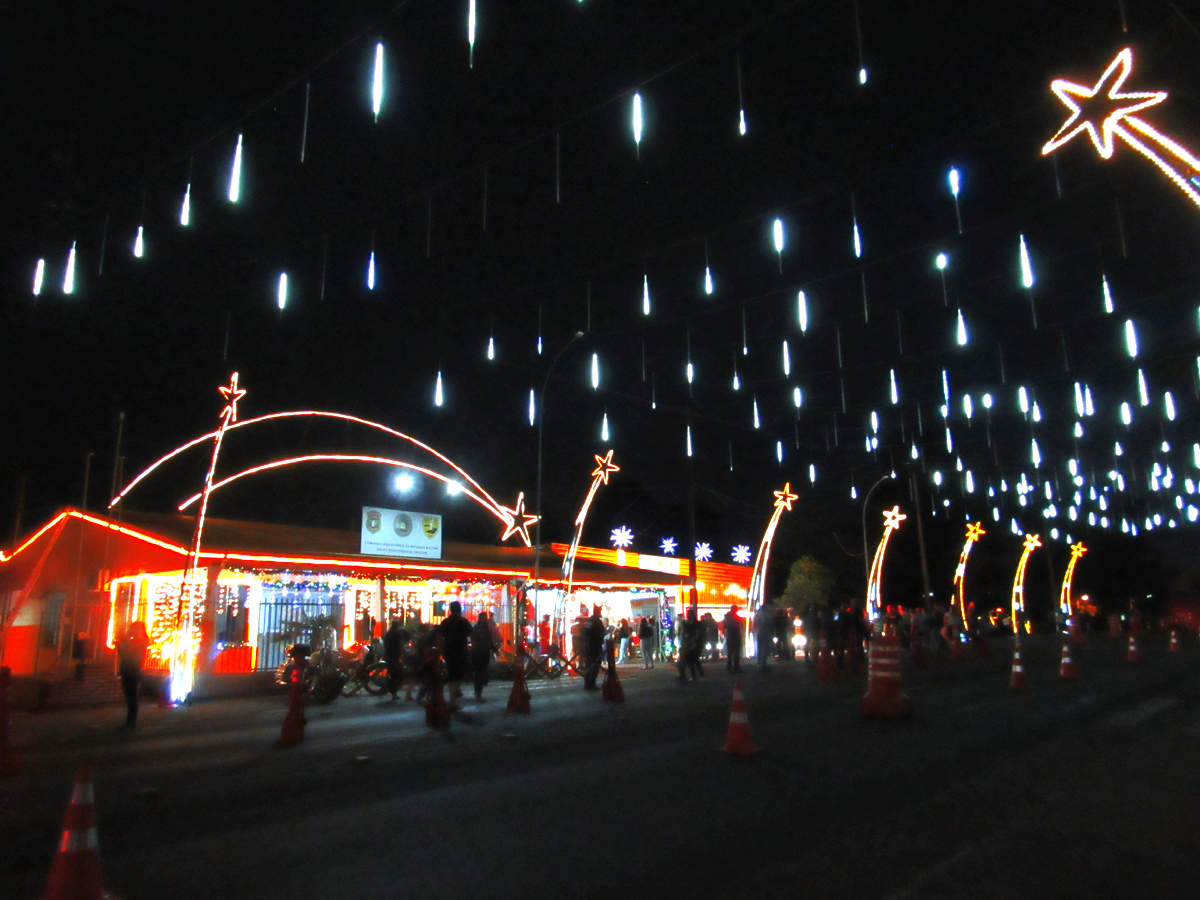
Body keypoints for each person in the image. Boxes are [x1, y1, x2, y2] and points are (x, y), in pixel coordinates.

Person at [438, 601, 473, 709]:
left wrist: (441, 650)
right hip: (460, 650)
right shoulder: (463, 622)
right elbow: (470, 633)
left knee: (452, 672)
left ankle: (453, 694)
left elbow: (439, 636)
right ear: (460, 610)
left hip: (448, 651)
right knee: (457, 674)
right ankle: (453, 699)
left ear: (450, 610)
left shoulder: (446, 622)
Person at [116, 621, 150, 728]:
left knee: (131, 697)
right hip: (130, 671)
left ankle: (131, 722)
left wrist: (120, 644)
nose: (131, 631)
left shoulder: (138, 642)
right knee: (130, 697)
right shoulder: (137, 641)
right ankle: (130, 721)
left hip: (132, 671)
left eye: (133, 629)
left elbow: (126, 654)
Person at [470, 612, 497, 702]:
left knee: (478, 673)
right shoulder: (483, 628)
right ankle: (478, 694)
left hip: (477, 652)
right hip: (482, 653)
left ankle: (478, 693)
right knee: (480, 673)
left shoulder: (477, 627)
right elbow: (488, 641)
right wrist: (494, 649)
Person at [382, 619, 411, 700]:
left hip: (389, 656)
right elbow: (400, 646)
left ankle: (392, 691)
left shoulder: (388, 633)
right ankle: (391, 689)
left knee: (394, 674)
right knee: (397, 675)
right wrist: (405, 654)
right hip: (393, 657)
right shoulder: (396, 634)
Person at [582, 606, 606, 689]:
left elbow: (585, 631)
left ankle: (587, 683)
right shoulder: (597, 621)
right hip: (595, 645)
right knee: (595, 664)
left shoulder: (589, 620)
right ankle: (592, 683)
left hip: (587, 644)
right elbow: (601, 632)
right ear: (598, 611)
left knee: (588, 664)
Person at [677, 609, 704, 682]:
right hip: (690, 643)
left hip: (692, 643)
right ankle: (696, 675)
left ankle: (698, 675)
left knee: (694, 660)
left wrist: (692, 640)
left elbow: (697, 633)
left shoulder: (693, 624)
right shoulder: (690, 623)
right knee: (692, 660)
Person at [754, 600, 776, 672]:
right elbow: (771, 624)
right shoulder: (768, 615)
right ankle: (763, 664)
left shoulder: (757, 614)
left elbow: (754, 624)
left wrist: (755, 631)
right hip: (766, 632)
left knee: (759, 648)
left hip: (759, 632)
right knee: (765, 648)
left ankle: (759, 663)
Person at [722, 605, 743, 673]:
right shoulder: (737, 617)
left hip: (730, 636)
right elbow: (741, 626)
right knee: (736, 652)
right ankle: (736, 667)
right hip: (735, 636)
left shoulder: (726, 616)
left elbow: (724, 626)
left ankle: (729, 667)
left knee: (730, 652)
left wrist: (724, 633)